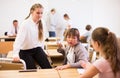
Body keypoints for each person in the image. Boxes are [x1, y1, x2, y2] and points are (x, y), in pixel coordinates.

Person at [13, 3, 52, 69]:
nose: (40, 15)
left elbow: (41, 39)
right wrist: (15, 54)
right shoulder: (25, 24)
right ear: (32, 12)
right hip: (25, 51)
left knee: (48, 67)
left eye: (41, 13)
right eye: (38, 13)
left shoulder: (42, 22)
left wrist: (43, 50)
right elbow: (19, 40)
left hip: (37, 49)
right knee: (31, 70)